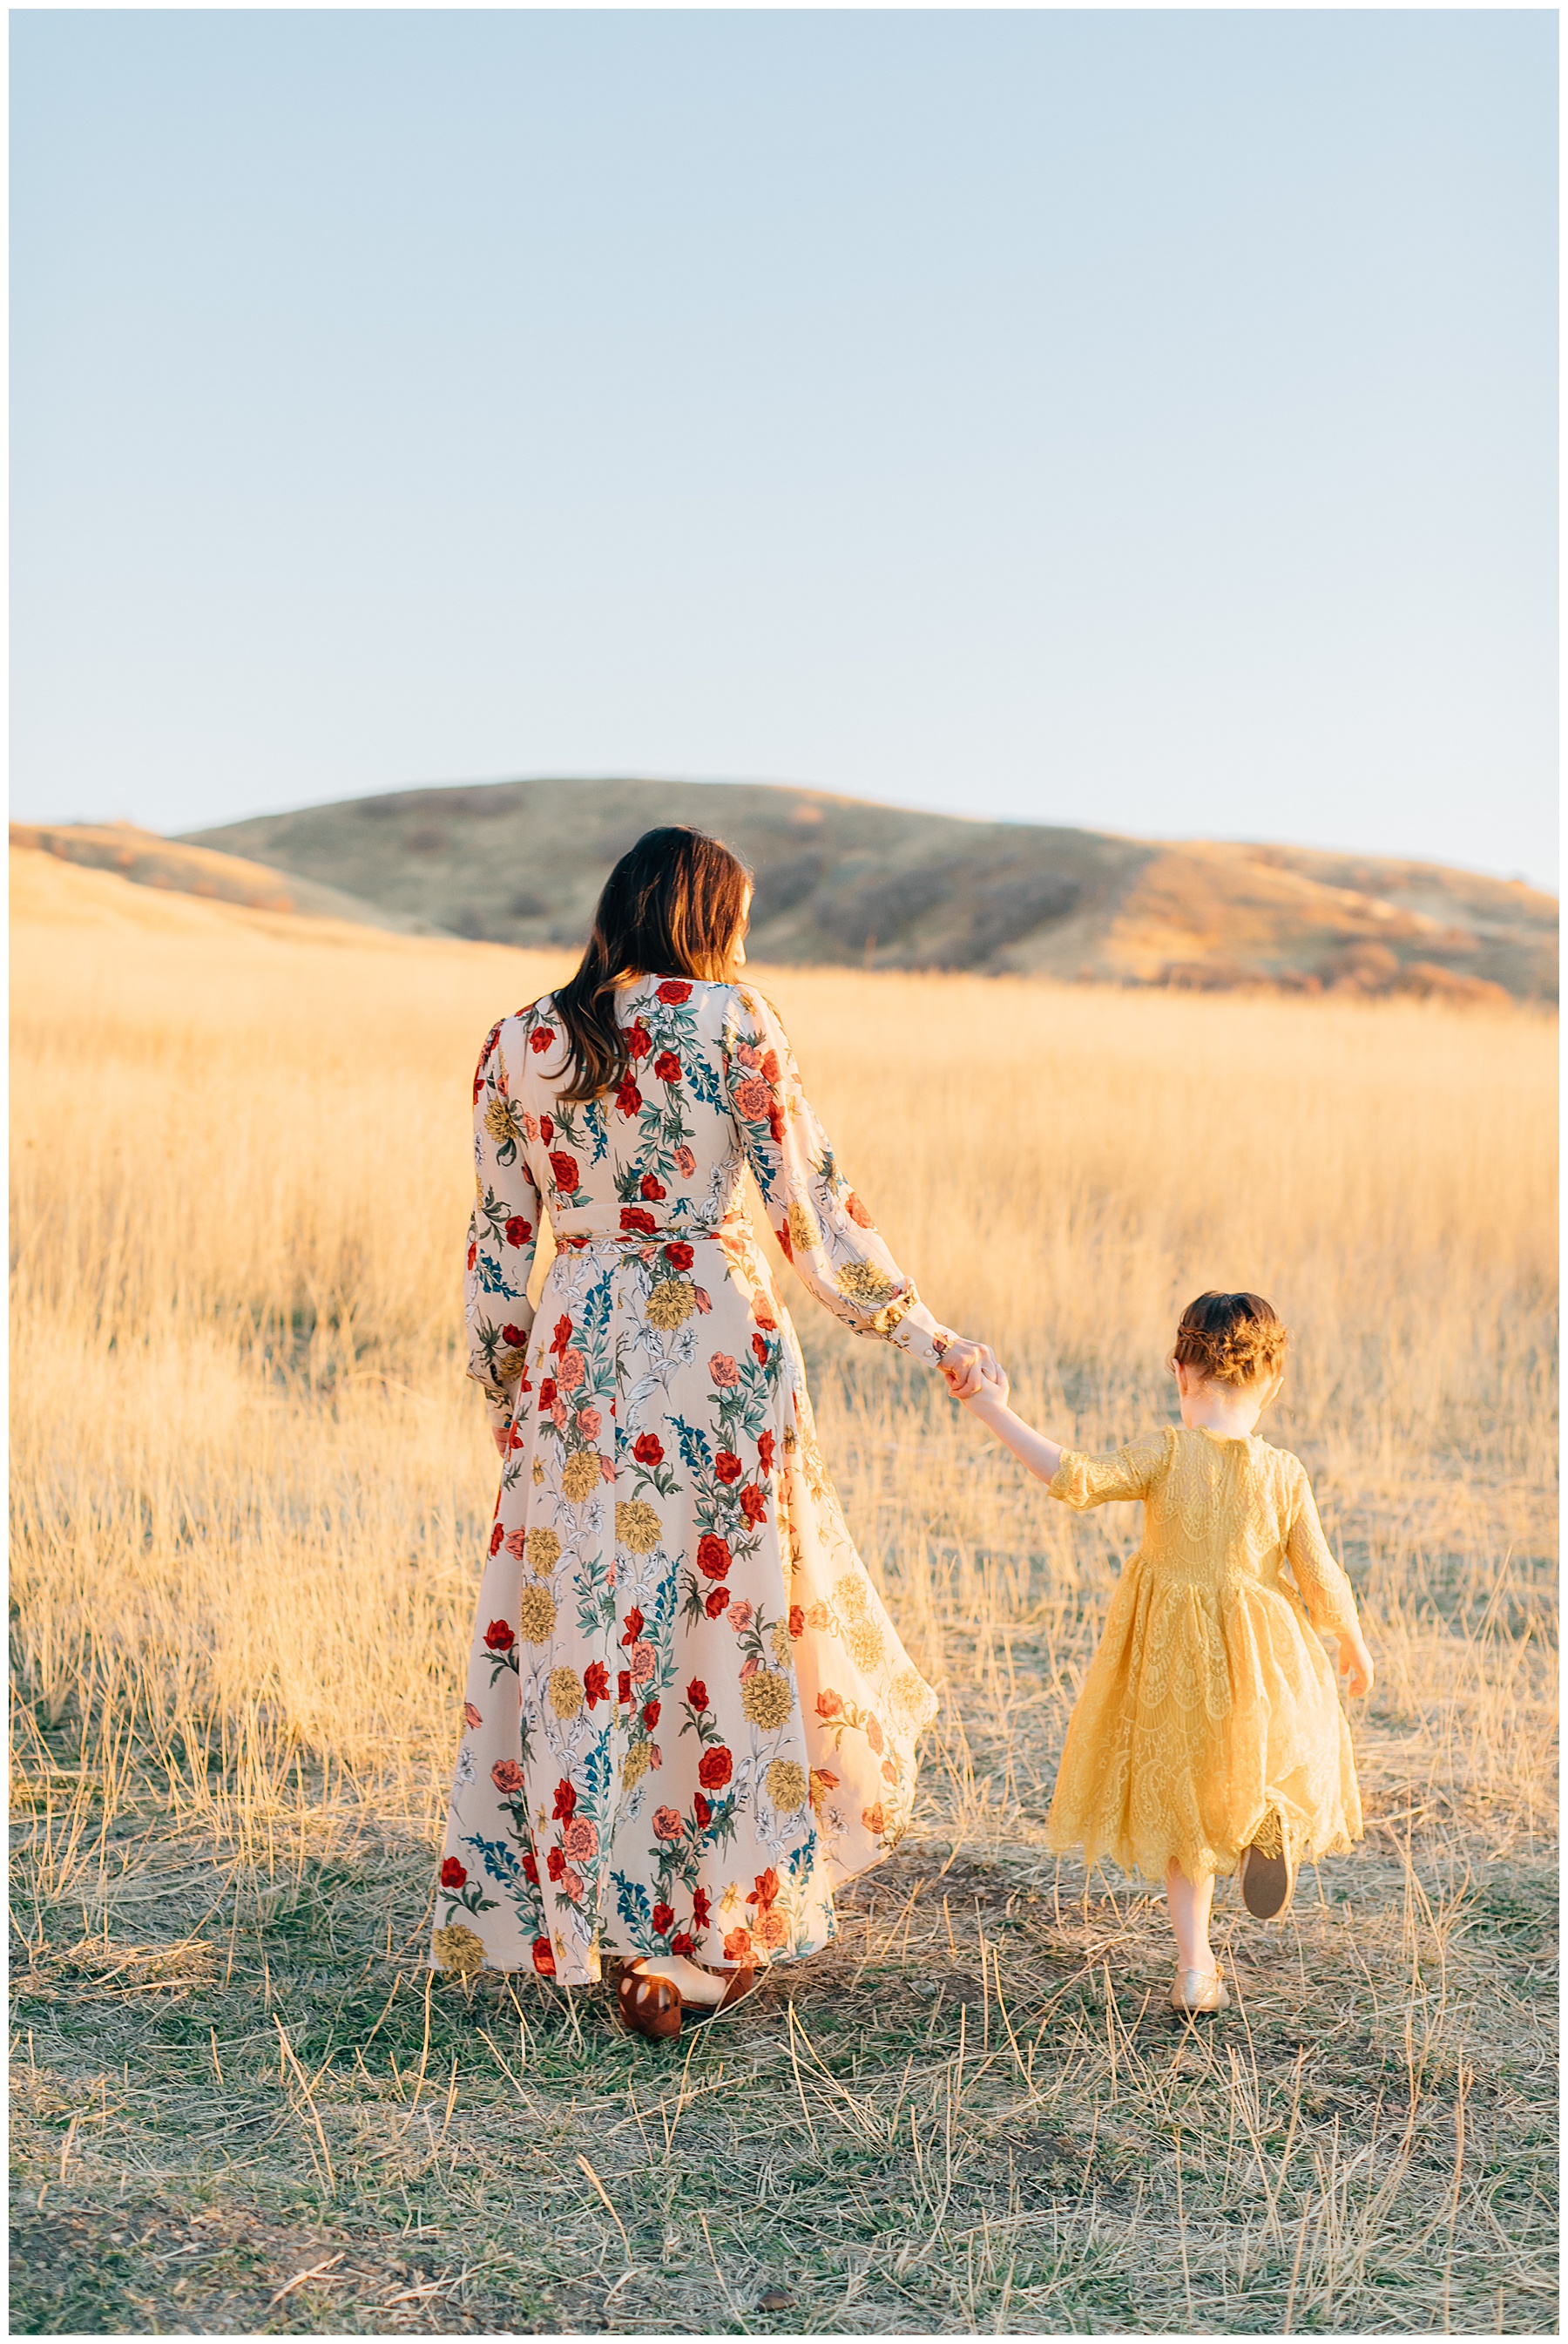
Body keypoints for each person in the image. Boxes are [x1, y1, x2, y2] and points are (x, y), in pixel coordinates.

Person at [433, 825, 998, 2036]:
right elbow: (815, 1212)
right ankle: (719, 1924)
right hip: (719, 1356)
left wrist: (507, 1398)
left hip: (580, 1367)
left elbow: (496, 1249)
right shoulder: (736, 1021)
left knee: (591, 1634)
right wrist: (923, 1332)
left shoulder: (519, 1044)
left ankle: (598, 1915)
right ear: (708, 917)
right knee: (729, 1633)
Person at [947, 1291, 1374, 2015]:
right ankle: (1264, 1814)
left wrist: (991, 1408)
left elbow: (1075, 1478)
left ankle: (1196, 1966)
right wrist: (1354, 1642)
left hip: (1175, 1660)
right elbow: (1320, 1573)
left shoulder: (1168, 1452)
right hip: (1260, 1654)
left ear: (1181, 1373)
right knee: (1261, 1750)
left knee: (1181, 1808)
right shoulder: (1285, 1473)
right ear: (1272, 1384)